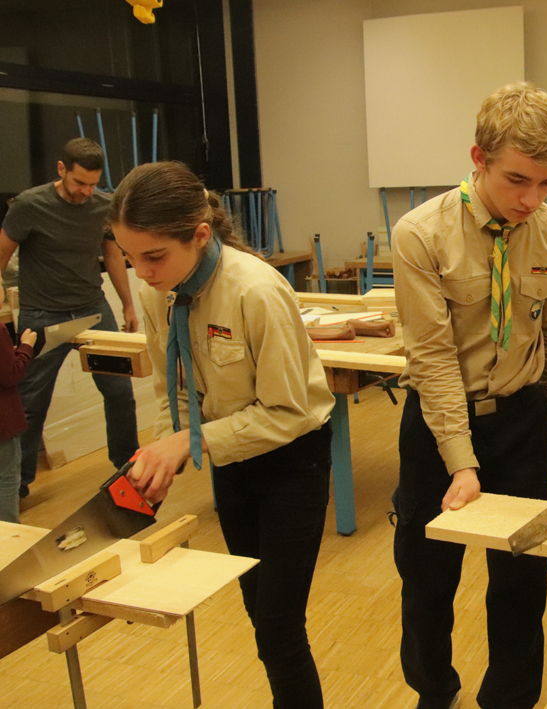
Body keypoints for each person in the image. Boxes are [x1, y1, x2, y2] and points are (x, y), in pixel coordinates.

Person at [107, 161, 334, 709]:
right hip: (233, 463)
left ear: (201, 234)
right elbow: (173, 388)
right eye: (128, 256)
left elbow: (287, 413)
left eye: (154, 256)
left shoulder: (255, 290)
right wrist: (165, 451)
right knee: (259, 613)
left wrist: (190, 442)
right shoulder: (159, 291)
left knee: (279, 626)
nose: (141, 273)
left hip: (292, 461)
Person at [391, 82, 547, 709]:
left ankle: (510, 701)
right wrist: (461, 461)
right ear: (479, 158)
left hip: (521, 421)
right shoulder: (421, 234)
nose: (531, 199)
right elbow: (433, 357)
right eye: (517, 180)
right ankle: (434, 692)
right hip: (439, 423)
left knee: (523, 579)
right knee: (426, 578)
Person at [0, 138, 139, 499]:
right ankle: (18, 484)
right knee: (31, 402)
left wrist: (127, 304)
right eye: (79, 182)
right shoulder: (29, 205)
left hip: (93, 309)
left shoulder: (103, 207)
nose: (86, 191)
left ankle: (128, 469)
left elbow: (113, 256)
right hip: (43, 315)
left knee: (120, 393)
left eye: (93, 184)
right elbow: (1, 254)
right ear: (61, 169)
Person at [0, 287, 36, 523]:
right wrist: (26, 347)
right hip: (3, 422)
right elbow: (11, 375)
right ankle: (10, 534)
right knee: (7, 480)